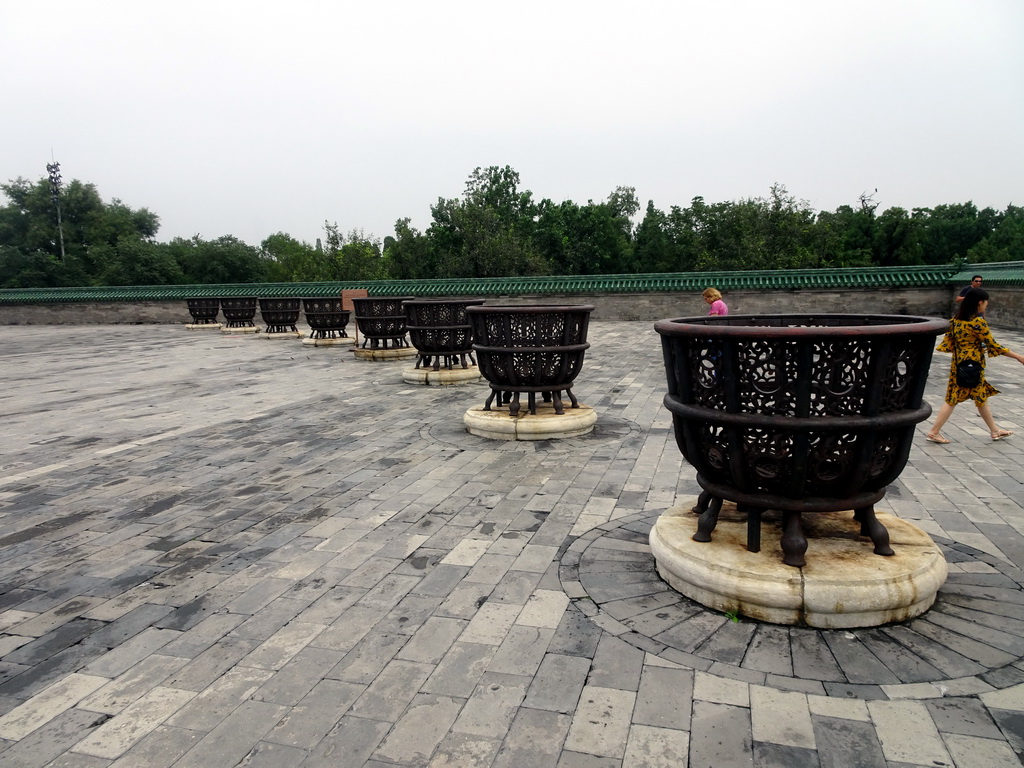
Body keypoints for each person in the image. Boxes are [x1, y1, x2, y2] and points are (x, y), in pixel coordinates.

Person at [926, 287, 1024, 444]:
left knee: (979, 396)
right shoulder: (978, 323)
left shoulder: (955, 321)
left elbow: (948, 345)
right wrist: (1018, 356)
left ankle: (994, 430)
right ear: (980, 303)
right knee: (953, 399)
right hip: (973, 366)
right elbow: (994, 345)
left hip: (958, 364)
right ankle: (934, 431)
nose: (986, 305)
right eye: (986, 302)